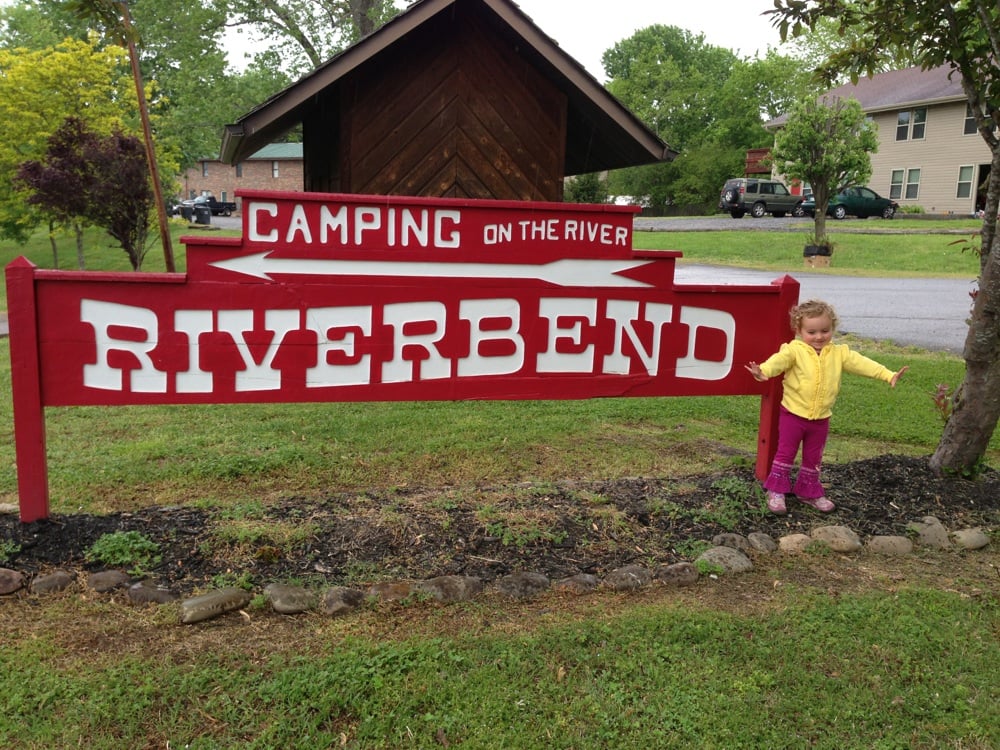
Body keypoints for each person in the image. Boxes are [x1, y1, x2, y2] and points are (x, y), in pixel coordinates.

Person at [746, 299, 908, 515]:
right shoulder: (794, 350)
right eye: (811, 332)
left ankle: (808, 491)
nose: (819, 336)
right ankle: (776, 491)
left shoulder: (839, 353)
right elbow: (778, 362)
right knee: (786, 453)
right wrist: (763, 371)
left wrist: (888, 375)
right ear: (799, 330)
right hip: (793, 415)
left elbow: (862, 363)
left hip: (821, 418)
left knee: (814, 457)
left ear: (832, 328)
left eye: (825, 330)